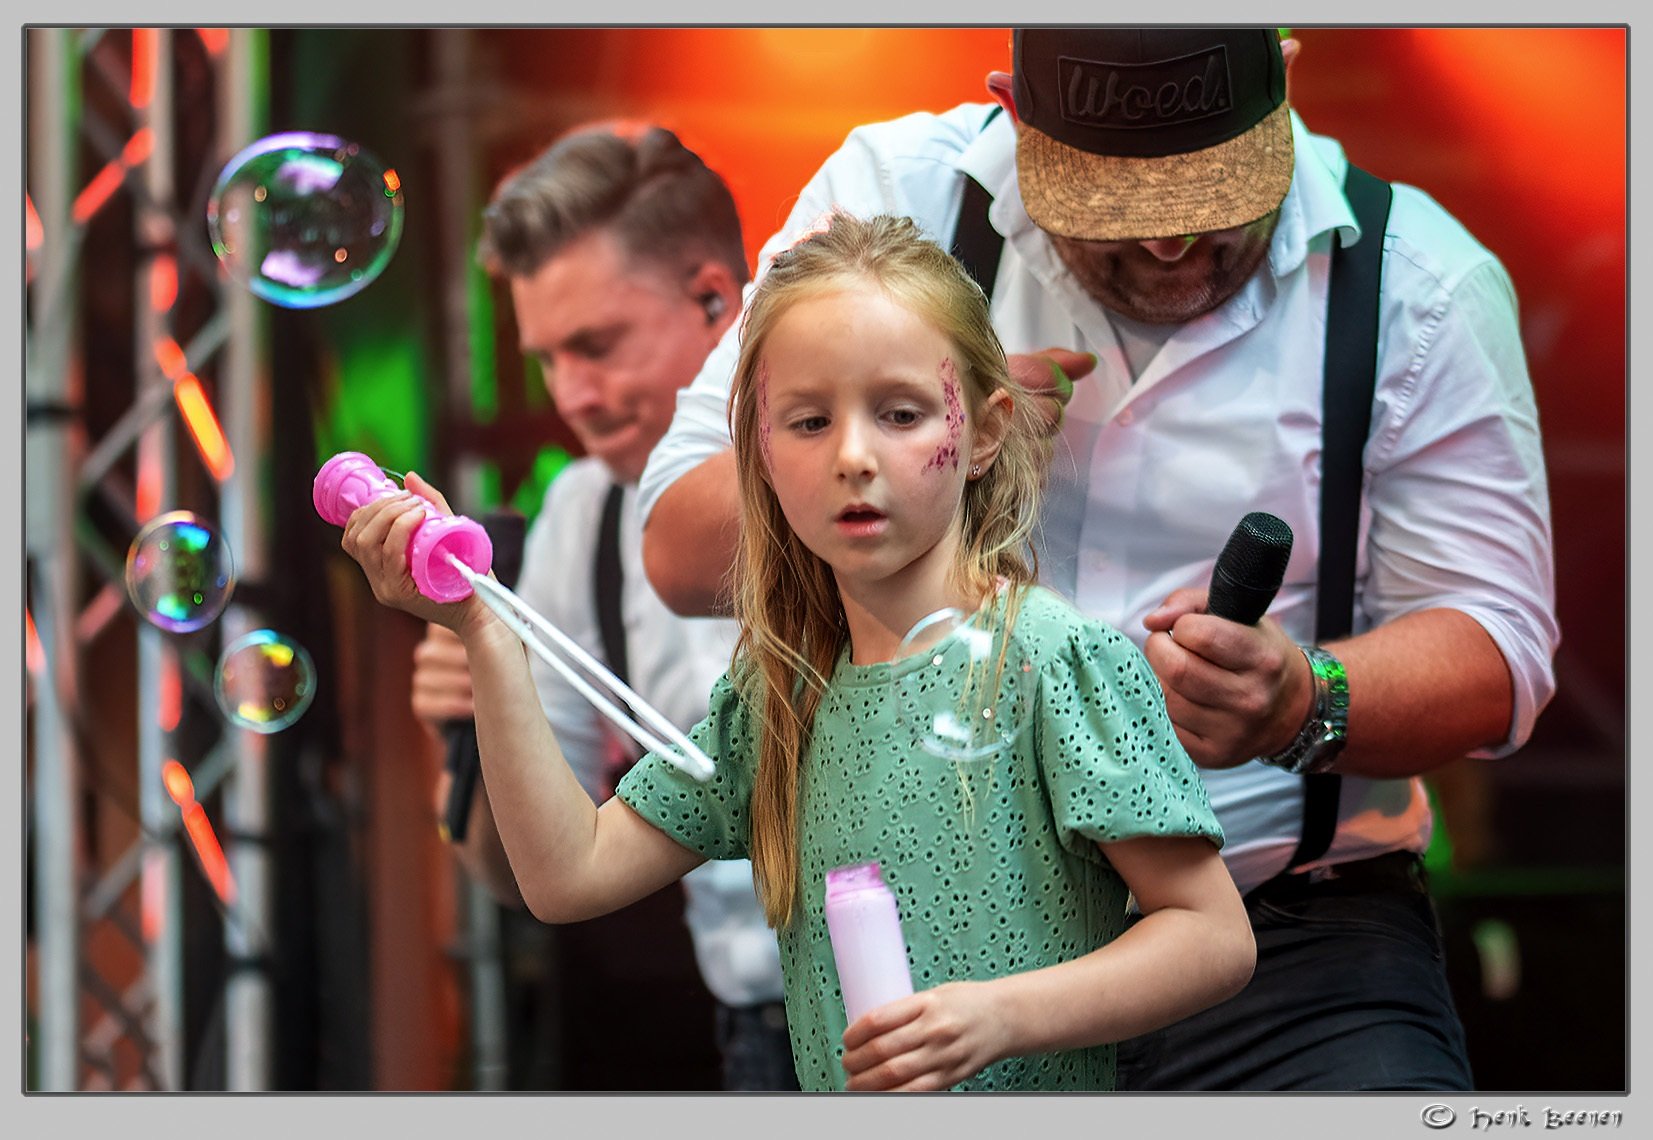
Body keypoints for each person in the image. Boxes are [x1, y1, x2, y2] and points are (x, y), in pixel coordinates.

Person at [634, 28, 1559, 1090]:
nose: (1170, 248)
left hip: (1298, 957)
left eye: (1214, 196)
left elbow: (1498, 650)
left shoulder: (1418, 286)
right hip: (947, 946)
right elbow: (675, 546)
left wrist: (1304, 700)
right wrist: (921, 448)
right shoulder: (895, 198)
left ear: (1284, 77)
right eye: (1116, 209)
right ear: (1017, 117)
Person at [343, 211, 1256, 1092]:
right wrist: (485, 634)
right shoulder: (782, 694)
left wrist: (998, 1016)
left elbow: (1212, 937)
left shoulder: (1055, 659)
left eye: (900, 414)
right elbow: (567, 874)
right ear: (762, 454)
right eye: (809, 422)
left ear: (981, 431)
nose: (853, 456)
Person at [407, 121, 797, 1091]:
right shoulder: (580, 516)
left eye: (596, 345)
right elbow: (530, 877)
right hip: (758, 1027)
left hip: (975, 989)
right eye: (546, 358)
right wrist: (477, 720)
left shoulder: (853, 446)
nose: (571, 394)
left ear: (717, 297)